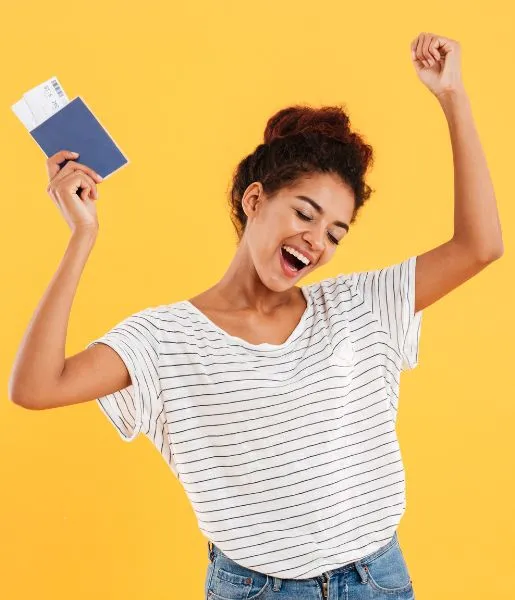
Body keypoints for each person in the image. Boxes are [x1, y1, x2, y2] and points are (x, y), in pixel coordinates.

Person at [9, 32, 504, 599]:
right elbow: (36, 386)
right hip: (257, 589)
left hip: (378, 580)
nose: (316, 241)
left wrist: (452, 96)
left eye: (334, 233)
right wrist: (82, 236)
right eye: (305, 213)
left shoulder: (358, 306)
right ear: (254, 201)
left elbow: (480, 246)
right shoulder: (164, 338)